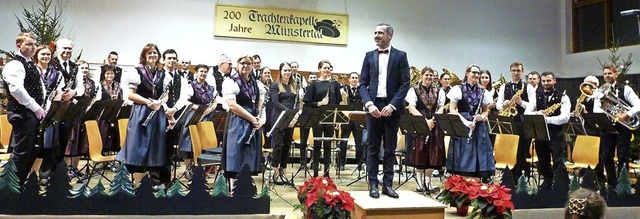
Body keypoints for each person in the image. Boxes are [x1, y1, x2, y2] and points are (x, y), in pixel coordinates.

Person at [359, 23, 410, 199]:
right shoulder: (368, 56)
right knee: (372, 146)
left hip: (392, 108)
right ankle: (373, 184)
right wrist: (369, 105)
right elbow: (362, 84)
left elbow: (405, 83)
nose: (376, 35)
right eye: (374, 32)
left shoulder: (400, 56)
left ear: (390, 35)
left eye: (380, 33)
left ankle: (387, 185)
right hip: (373, 106)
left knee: (390, 148)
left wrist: (392, 105)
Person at [115, 43, 170, 191]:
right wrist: (148, 102)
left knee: (155, 147)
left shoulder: (162, 73)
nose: (153, 56)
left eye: (155, 53)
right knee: (138, 148)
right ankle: (137, 184)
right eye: (150, 53)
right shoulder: (136, 71)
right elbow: (131, 94)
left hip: (156, 113)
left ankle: (153, 183)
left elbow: (166, 95)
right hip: (141, 112)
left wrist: (160, 102)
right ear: (145, 56)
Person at [3, 33, 46, 186]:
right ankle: (10, 189)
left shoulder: (29, 63)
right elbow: (16, 90)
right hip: (22, 114)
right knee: (21, 153)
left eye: (34, 44)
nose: (33, 47)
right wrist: (36, 108)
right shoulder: (15, 64)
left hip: (31, 114)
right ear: (18, 45)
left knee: (29, 152)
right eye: (28, 44)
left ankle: (19, 186)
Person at [221, 54, 266, 190]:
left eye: (248, 63)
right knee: (235, 156)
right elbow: (232, 105)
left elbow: (260, 103)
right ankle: (233, 192)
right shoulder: (230, 82)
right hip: (237, 124)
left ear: (252, 66)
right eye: (242, 63)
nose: (245, 66)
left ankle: (245, 190)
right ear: (237, 64)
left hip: (252, 125)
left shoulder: (256, 83)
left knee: (248, 157)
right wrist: (252, 118)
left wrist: (261, 119)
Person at [446, 64, 495, 183]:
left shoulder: (483, 91)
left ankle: (476, 183)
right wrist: (466, 122)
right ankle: (461, 183)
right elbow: (452, 110)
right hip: (463, 125)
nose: (476, 75)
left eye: (478, 73)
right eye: (474, 72)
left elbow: (485, 111)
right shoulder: (457, 89)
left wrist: (481, 116)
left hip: (478, 126)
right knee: (464, 153)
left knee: (479, 152)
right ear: (466, 73)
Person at [595, 64, 640, 189]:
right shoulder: (600, 91)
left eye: (610, 73)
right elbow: (596, 108)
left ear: (616, 74)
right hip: (607, 127)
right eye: (605, 74)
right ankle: (612, 184)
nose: (607, 76)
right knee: (606, 155)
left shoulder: (625, 89)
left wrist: (627, 114)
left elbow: (638, 104)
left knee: (622, 156)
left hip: (622, 127)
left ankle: (622, 186)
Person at [525, 71, 570, 189]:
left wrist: (547, 120)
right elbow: (527, 112)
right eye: (544, 81)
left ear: (554, 81)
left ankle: (562, 185)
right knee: (543, 161)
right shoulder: (536, 96)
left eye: (549, 80)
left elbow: (565, 117)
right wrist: (537, 114)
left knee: (558, 161)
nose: (546, 83)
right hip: (540, 133)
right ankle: (547, 183)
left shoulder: (563, 97)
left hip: (556, 133)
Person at [405, 66, 445, 192]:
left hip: (434, 122)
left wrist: (433, 120)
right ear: (422, 76)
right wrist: (424, 121)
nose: (429, 77)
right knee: (420, 151)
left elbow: (441, 107)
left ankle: (428, 181)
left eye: (431, 75)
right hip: (420, 122)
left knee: (433, 151)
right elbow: (411, 107)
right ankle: (419, 183)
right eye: (426, 75)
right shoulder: (414, 90)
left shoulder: (439, 90)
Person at [496, 62, 536, 180]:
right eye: (513, 70)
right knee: (508, 150)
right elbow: (498, 103)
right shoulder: (504, 86)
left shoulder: (528, 87)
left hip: (522, 123)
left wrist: (521, 102)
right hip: (508, 121)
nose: (516, 73)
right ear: (510, 71)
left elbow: (533, 105)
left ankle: (519, 178)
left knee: (521, 151)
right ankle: (508, 177)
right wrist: (503, 104)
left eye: (518, 70)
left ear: (522, 72)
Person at [177, 64, 216, 179]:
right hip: (193, 116)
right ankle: (188, 169)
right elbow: (186, 102)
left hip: (206, 116)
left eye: (205, 72)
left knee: (203, 143)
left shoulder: (210, 87)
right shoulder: (191, 86)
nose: (203, 74)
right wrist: (198, 108)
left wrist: (211, 108)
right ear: (196, 73)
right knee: (189, 143)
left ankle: (200, 170)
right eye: (201, 71)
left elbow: (215, 101)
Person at [304, 60, 341, 178]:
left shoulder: (335, 84)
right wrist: (320, 103)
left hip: (330, 118)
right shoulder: (314, 84)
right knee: (317, 144)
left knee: (328, 145)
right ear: (319, 69)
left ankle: (326, 173)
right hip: (317, 118)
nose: (327, 70)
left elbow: (338, 103)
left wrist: (338, 120)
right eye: (324, 68)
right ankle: (315, 173)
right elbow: (307, 102)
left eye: (328, 68)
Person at [64, 60, 100, 179]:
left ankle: (75, 167)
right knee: (71, 141)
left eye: (86, 68)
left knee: (80, 141)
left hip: (85, 113)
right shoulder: (73, 80)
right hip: (72, 111)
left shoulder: (92, 82)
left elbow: (92, 97)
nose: (84, 70)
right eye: (82, 67)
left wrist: (90, 106)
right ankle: (67, 168)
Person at [269, 62, 299, 185]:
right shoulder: (275, 85)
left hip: (290, 118)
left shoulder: (292, 85)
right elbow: (275, 102)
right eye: (285, 70)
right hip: (279, 118)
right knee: (277, 145)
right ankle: (275, 172)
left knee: (287, 145)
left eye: (289, 70)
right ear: (280, 71)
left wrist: (295, 115)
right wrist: (288, 112)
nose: (287, 73)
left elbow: (296, 102)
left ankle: (284, 171)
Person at [338, 72, 363, 171]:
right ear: (349, 79)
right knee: (343, 142)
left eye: (356, 78)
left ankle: (360, 164)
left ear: (358, 80)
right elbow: (341, 105)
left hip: (359, 119)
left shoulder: (362, 90)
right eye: (352, 78)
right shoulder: (343, 90)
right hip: (346, 119)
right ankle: (341, 163)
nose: (354, 79)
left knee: (359, 143)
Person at [97, 65, 123, 153]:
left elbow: (121, 99)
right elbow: (98, 100)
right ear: (104, 74)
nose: (110, 76)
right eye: (107, 73)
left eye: (112, 73)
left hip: (114, 113)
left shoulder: (118, 85)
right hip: (102, 114)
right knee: (103, 136)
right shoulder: (100, 85)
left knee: (114, 137)